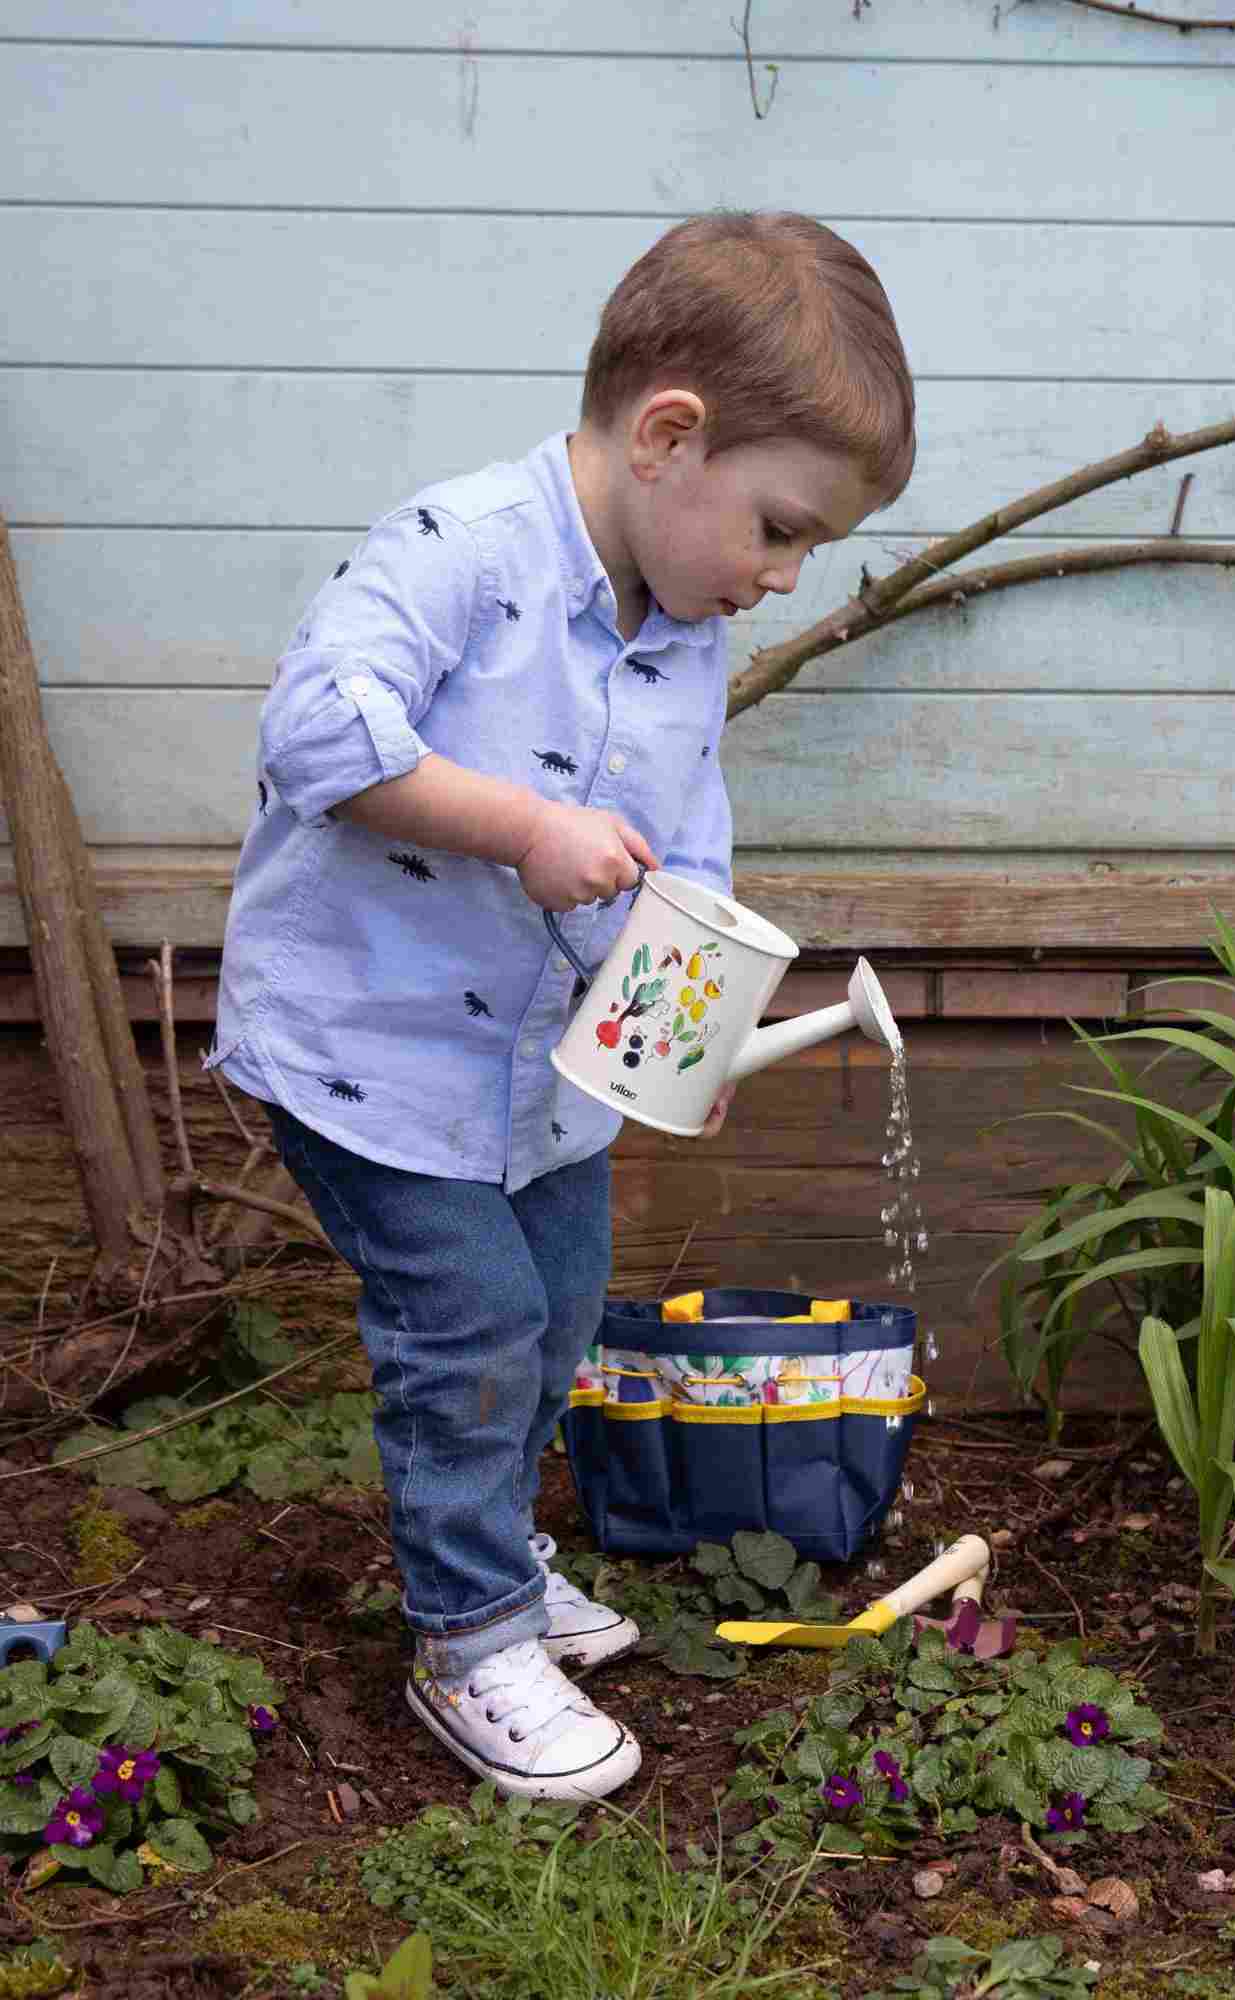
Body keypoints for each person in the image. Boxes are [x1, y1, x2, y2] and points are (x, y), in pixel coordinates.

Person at [206, 212, 916, 1801]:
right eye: (782, 528)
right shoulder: (461, 552)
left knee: (557, 1315)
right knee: (468, 1328)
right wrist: (525, 831)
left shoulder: (687, 633)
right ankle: (466, 1639)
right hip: (372, 1058)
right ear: (672, 436)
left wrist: (693, 1025)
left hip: (541, 1074)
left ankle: (501, 1563)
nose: (787, 577)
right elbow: (319, 734)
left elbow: (687, 844)